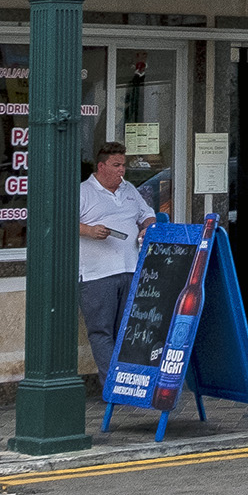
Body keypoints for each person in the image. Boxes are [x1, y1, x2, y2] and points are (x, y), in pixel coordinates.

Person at [80, 141, 157, 387]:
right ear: (101, 166)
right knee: (102, 332)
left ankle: (129, 383)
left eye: (123, 165)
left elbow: (147, 213)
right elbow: (62, 222)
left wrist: (147, 227)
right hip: (97, 273)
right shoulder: (83, 192)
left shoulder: (129, 189)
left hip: (130, 268)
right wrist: (89, 230)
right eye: (116, 165)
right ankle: (112, 385)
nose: (121, 170)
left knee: (128, 330)